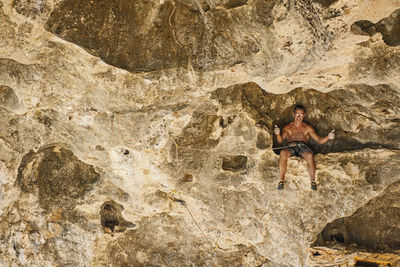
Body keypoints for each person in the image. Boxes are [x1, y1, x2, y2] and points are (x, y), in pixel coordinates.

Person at [274, 104, 335, 190]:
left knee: (310, 155)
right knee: (283, 153)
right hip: (291, 146)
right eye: (297, 114)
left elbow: (319, 140)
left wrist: (328, 137)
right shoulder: (288, 127)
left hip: (303, 147)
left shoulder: (307, 128)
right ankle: (281, 180)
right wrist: (277, 134)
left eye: (301, 115)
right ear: (293, 114)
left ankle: (313, 181)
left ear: (304, 116)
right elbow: (280, 141)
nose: (299, 117)